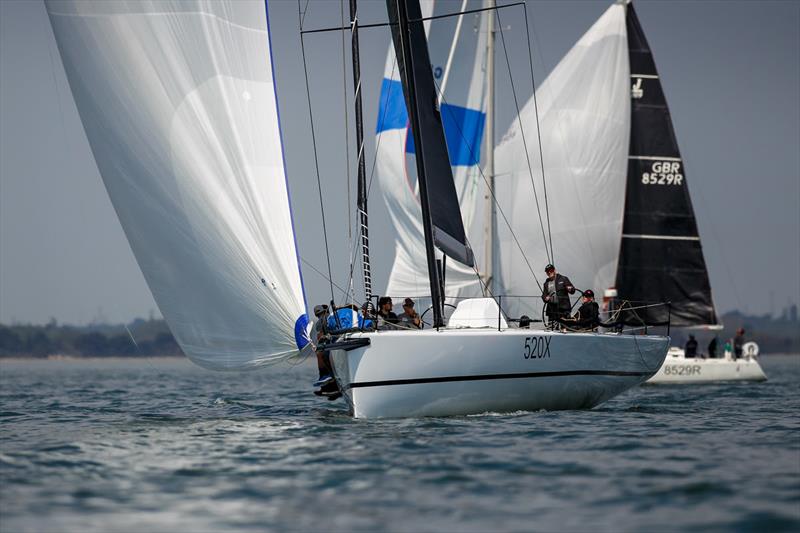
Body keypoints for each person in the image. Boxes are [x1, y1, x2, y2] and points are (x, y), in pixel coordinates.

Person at [311, 304, 340, 399]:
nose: (320, 316)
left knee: (321, 355)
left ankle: (327, 387)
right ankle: (328, 387)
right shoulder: (331, 317)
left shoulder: (322, 321)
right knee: (321, 355)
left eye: (319, 314)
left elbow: (320, 335)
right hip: (334, 344)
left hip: (332, 346)